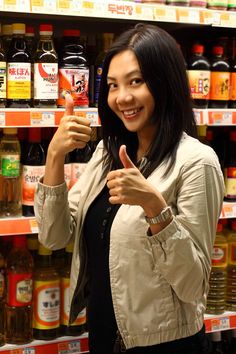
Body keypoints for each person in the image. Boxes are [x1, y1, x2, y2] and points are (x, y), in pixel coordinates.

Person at [34, 23, 225, 354]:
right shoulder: (107, 153)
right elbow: (54, 237)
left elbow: (193, 285)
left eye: (135, 81)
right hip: (106, 338)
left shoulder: (197, 162)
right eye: (112, 85)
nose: (122, 97)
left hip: (166, 345)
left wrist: (155, 207)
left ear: (165, 82)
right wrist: (54, 156)